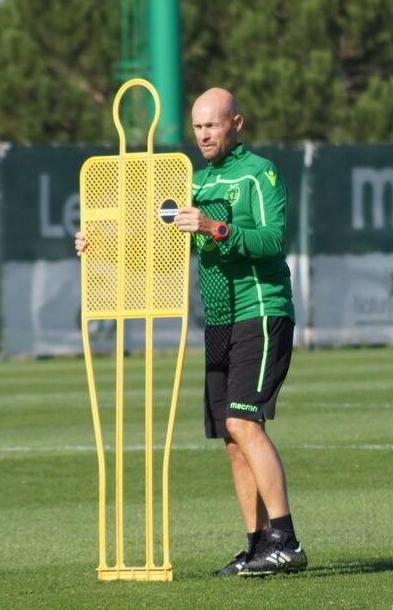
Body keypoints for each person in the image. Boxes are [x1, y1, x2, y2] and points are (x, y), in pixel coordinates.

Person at [75, 87, 305, 577]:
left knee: (245, 423)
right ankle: (258, 544)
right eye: (198, 126)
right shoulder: (192, 183)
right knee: (231, 436)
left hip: (261, 310)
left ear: (236, 124)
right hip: (218, 321)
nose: (204, 134)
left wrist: (215, 228)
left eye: (214, 125)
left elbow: (272, 239)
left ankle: (286, 540)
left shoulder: (259, 174)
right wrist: (99, 246)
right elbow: (154, 251)